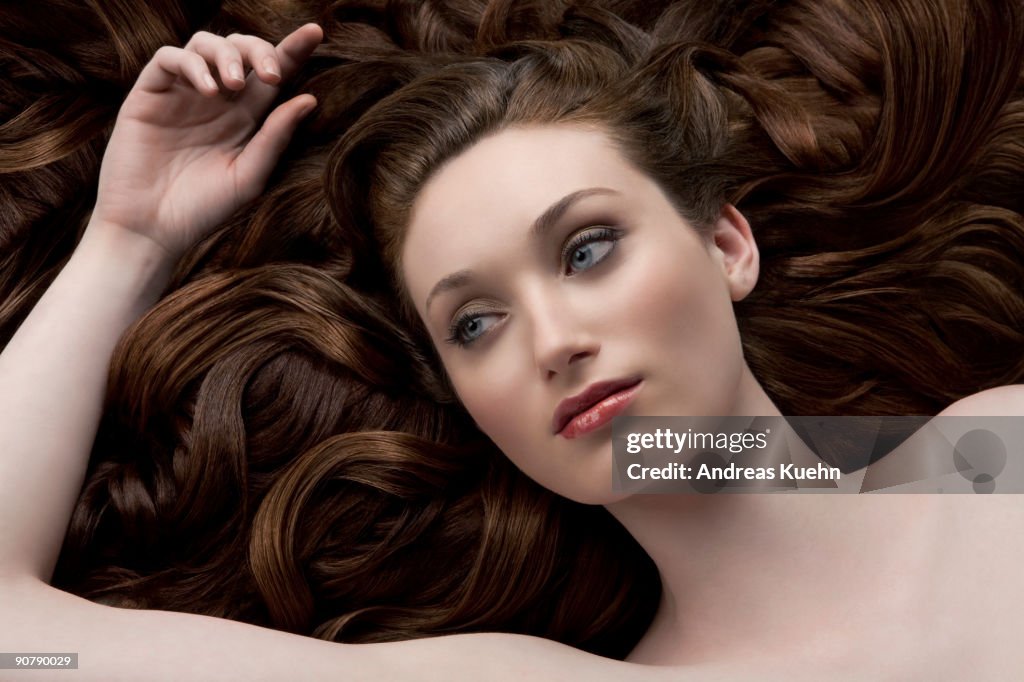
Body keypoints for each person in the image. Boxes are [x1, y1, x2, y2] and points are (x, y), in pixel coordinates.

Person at [1, 0, 1023, 679]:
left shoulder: (993, 458)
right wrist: (128, 239)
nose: (551, 340)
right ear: (458, 390)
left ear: (725, 245)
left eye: (585, 250)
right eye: (475, 322)